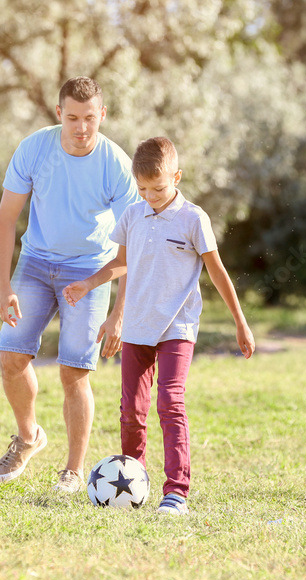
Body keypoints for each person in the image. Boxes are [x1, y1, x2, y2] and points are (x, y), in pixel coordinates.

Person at [62, 136, 255, 515]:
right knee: (131, 411)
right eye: (143, 188)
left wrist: (240, 322)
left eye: (159, 188)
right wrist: (88, 284)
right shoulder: (133, 215)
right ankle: (132, 483)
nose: (150, 195)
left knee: (170, 402)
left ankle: (177, 492)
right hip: (137, 328)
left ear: (177, 177)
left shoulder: (193, 219)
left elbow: (217, 272)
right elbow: (122, 264)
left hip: (177, 327)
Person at [0, 77, 142, 492]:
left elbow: (133, 245)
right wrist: (4, 287)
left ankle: (73, 471)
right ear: (59, 114)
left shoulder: (115, 165)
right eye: (72, 118)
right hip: (36, 261)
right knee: (11, 358)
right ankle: (28, 437)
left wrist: (119, 314)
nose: (81, 128)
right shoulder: (35, 149)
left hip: (91, 268)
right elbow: (6, 220)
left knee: (74, 371)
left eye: (89, 118)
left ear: (102, 116)